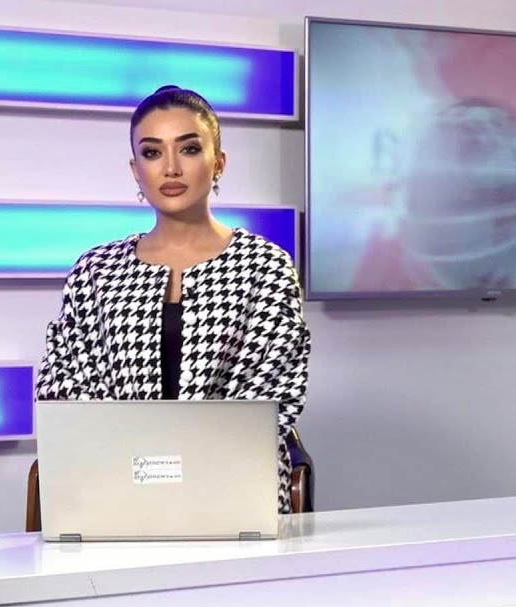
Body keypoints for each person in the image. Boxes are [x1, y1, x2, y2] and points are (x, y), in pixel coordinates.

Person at [36, 85, 310, 513]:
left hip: (234, 489)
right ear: (135, 170)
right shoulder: (96, 271)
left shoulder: (265, 266)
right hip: (113, 491)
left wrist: (184, 470)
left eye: (189, 149)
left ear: (218, 162)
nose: (170, 168)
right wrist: (135, 471)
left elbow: (270, 397)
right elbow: (65, 391)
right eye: (152, 152)